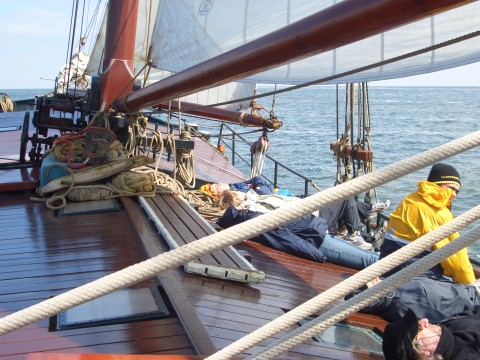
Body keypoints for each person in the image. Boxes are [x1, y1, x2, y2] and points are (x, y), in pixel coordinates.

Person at [380, 163, 475, 284]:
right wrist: (470, 286)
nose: (454, 195)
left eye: (457, 191)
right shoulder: (438, 213)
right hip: (414, 277)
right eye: (451, 189)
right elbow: (456, 260)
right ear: (437, 185)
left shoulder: (412, 198)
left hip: (388, 267)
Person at [216, 189, 387, 250]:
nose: (240, 191)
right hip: (312, 217)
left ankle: (367, 227)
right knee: (345, 197)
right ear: (237, 200)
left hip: (309, 209)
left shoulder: (255, 200)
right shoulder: (253, 207)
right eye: (237, 193)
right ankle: (356, 233)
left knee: (342, 200)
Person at [216, 205, 379, 270]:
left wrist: (315, 254)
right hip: (316, 236)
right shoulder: (252, 219)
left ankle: (401, 266)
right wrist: (315, 254)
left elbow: (284, 238)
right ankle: (401, 266)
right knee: (369, 259)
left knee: (368, 260)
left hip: (316, 238)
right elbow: (284, 238)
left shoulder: (252, 221)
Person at [346, 276, 480, 323]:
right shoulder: (403, 302)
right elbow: (438, 322)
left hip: (467, 289)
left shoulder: (395, 285)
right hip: (474, 299)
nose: (376, 278)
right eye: (371, 283)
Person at [382, 308, 480, 359]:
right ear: (423, 353)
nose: (425, 321)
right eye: (420, 328)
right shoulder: (469, 354)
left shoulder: (446, 329)